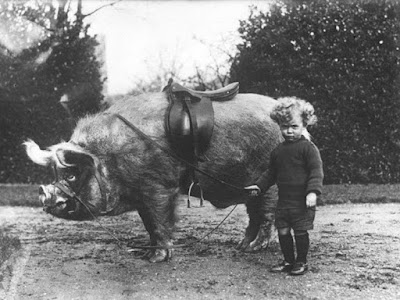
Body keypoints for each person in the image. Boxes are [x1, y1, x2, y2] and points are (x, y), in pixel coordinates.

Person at [245, 97, 323, 276]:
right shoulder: (278, 151)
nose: (289, 131)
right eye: (284, 127)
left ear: (304, 125)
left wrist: (312, 192)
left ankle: (301, 261)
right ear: (279, 126)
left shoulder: (308, 149)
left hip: (301, 201)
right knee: (283, 231)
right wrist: (259, 186)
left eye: (294, 127)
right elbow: (270, 173)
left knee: (300, 231)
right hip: (284, 201)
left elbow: (316, 172)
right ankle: (288, 260)